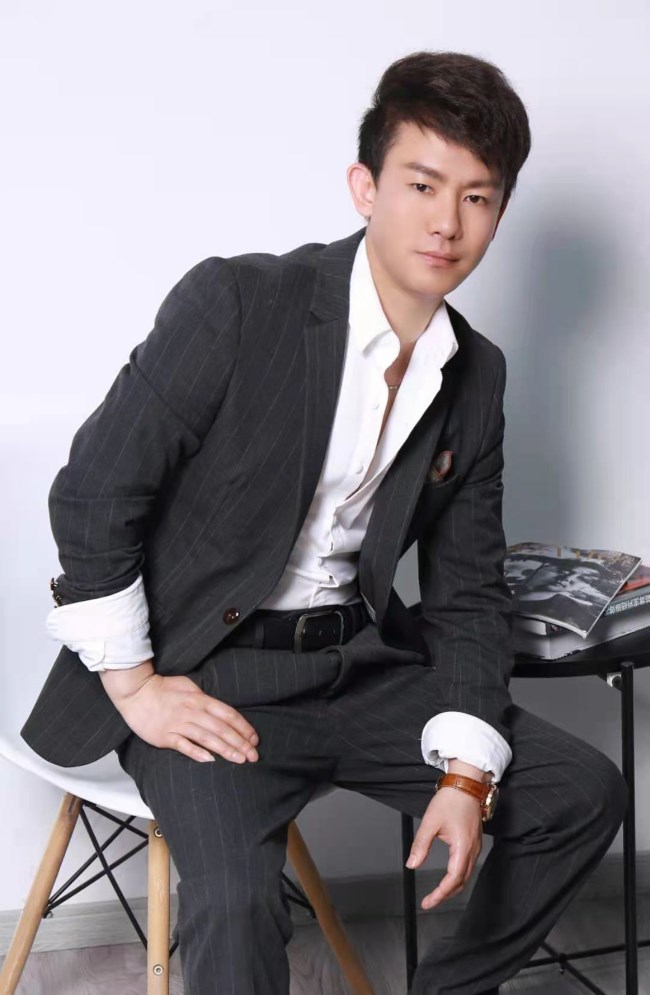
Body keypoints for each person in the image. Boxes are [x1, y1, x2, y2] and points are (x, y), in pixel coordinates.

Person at [21, 51, 627, 995]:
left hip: (359, 667)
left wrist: (466, 776)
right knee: (234, 903)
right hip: (207, 673)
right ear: (365, 187)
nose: (447, 221)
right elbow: (94, 492)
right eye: (422, 185)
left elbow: (468, 590)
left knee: (579, 792)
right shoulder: (238, 303)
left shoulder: (477, 374)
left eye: (476, 197)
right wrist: (136, 685)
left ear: (499, 212)